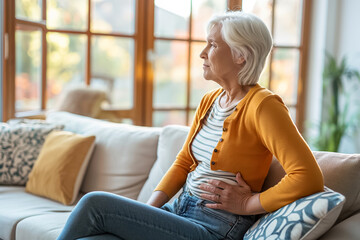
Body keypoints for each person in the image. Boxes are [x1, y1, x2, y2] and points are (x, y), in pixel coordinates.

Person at [57, 11, 324, 240]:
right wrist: (147, 213)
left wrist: (250, 203)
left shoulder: (264, 105)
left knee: (95, 204)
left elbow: (307, 177)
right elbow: (184, 161)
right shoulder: (210, 100)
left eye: (213, 45)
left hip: (215, 227)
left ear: (241, 55)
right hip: (180, 210)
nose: (202, 53)